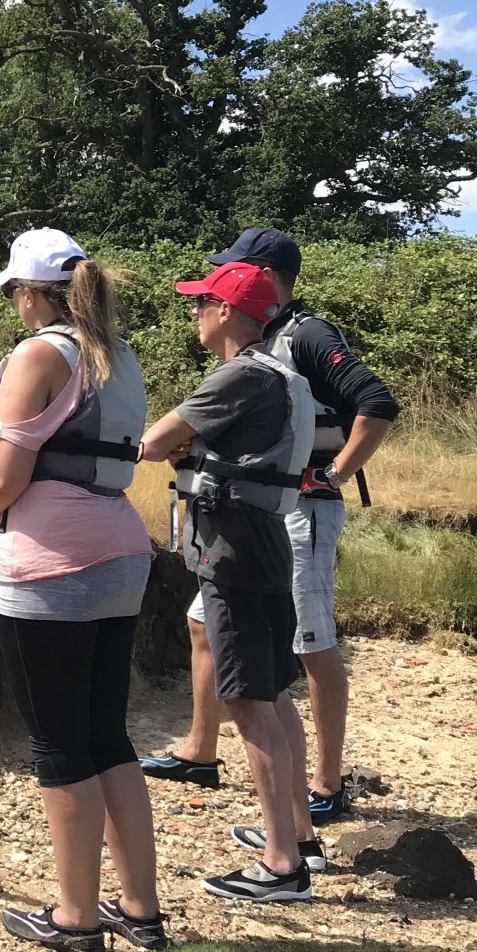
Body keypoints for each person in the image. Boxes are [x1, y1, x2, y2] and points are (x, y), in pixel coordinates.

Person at [140, 228, 398, 829]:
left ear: (255, 279)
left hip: (295, 506)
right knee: (203, 624)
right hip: (256, 509)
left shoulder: (306, 331)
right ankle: (201, 752)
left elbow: (376, 401)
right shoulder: (266, 339)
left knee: (309, 640)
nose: (208, 296)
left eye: (224, 274)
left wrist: (330, 475)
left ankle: (324, 785)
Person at [0, 229, 167, 952]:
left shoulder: (40, 354)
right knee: (107, 733)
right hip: (119, 552)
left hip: (50, 564)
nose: (15, 304)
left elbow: (1, 475)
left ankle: (76, 917)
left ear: (32, 293)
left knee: (58, 745)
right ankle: (140, 907)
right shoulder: (119, 354)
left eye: (15, 291)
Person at [140, 260, 317, 903]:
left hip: (235, 549)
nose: (194, 313)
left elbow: (155, 440)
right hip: (265, 541)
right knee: (271, 692)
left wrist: (181, 448)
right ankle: (299, 836)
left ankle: (281, 867)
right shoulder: (281, 375)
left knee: (246, 700)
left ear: (225, 312)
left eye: (201, 303)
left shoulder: (239, 374)